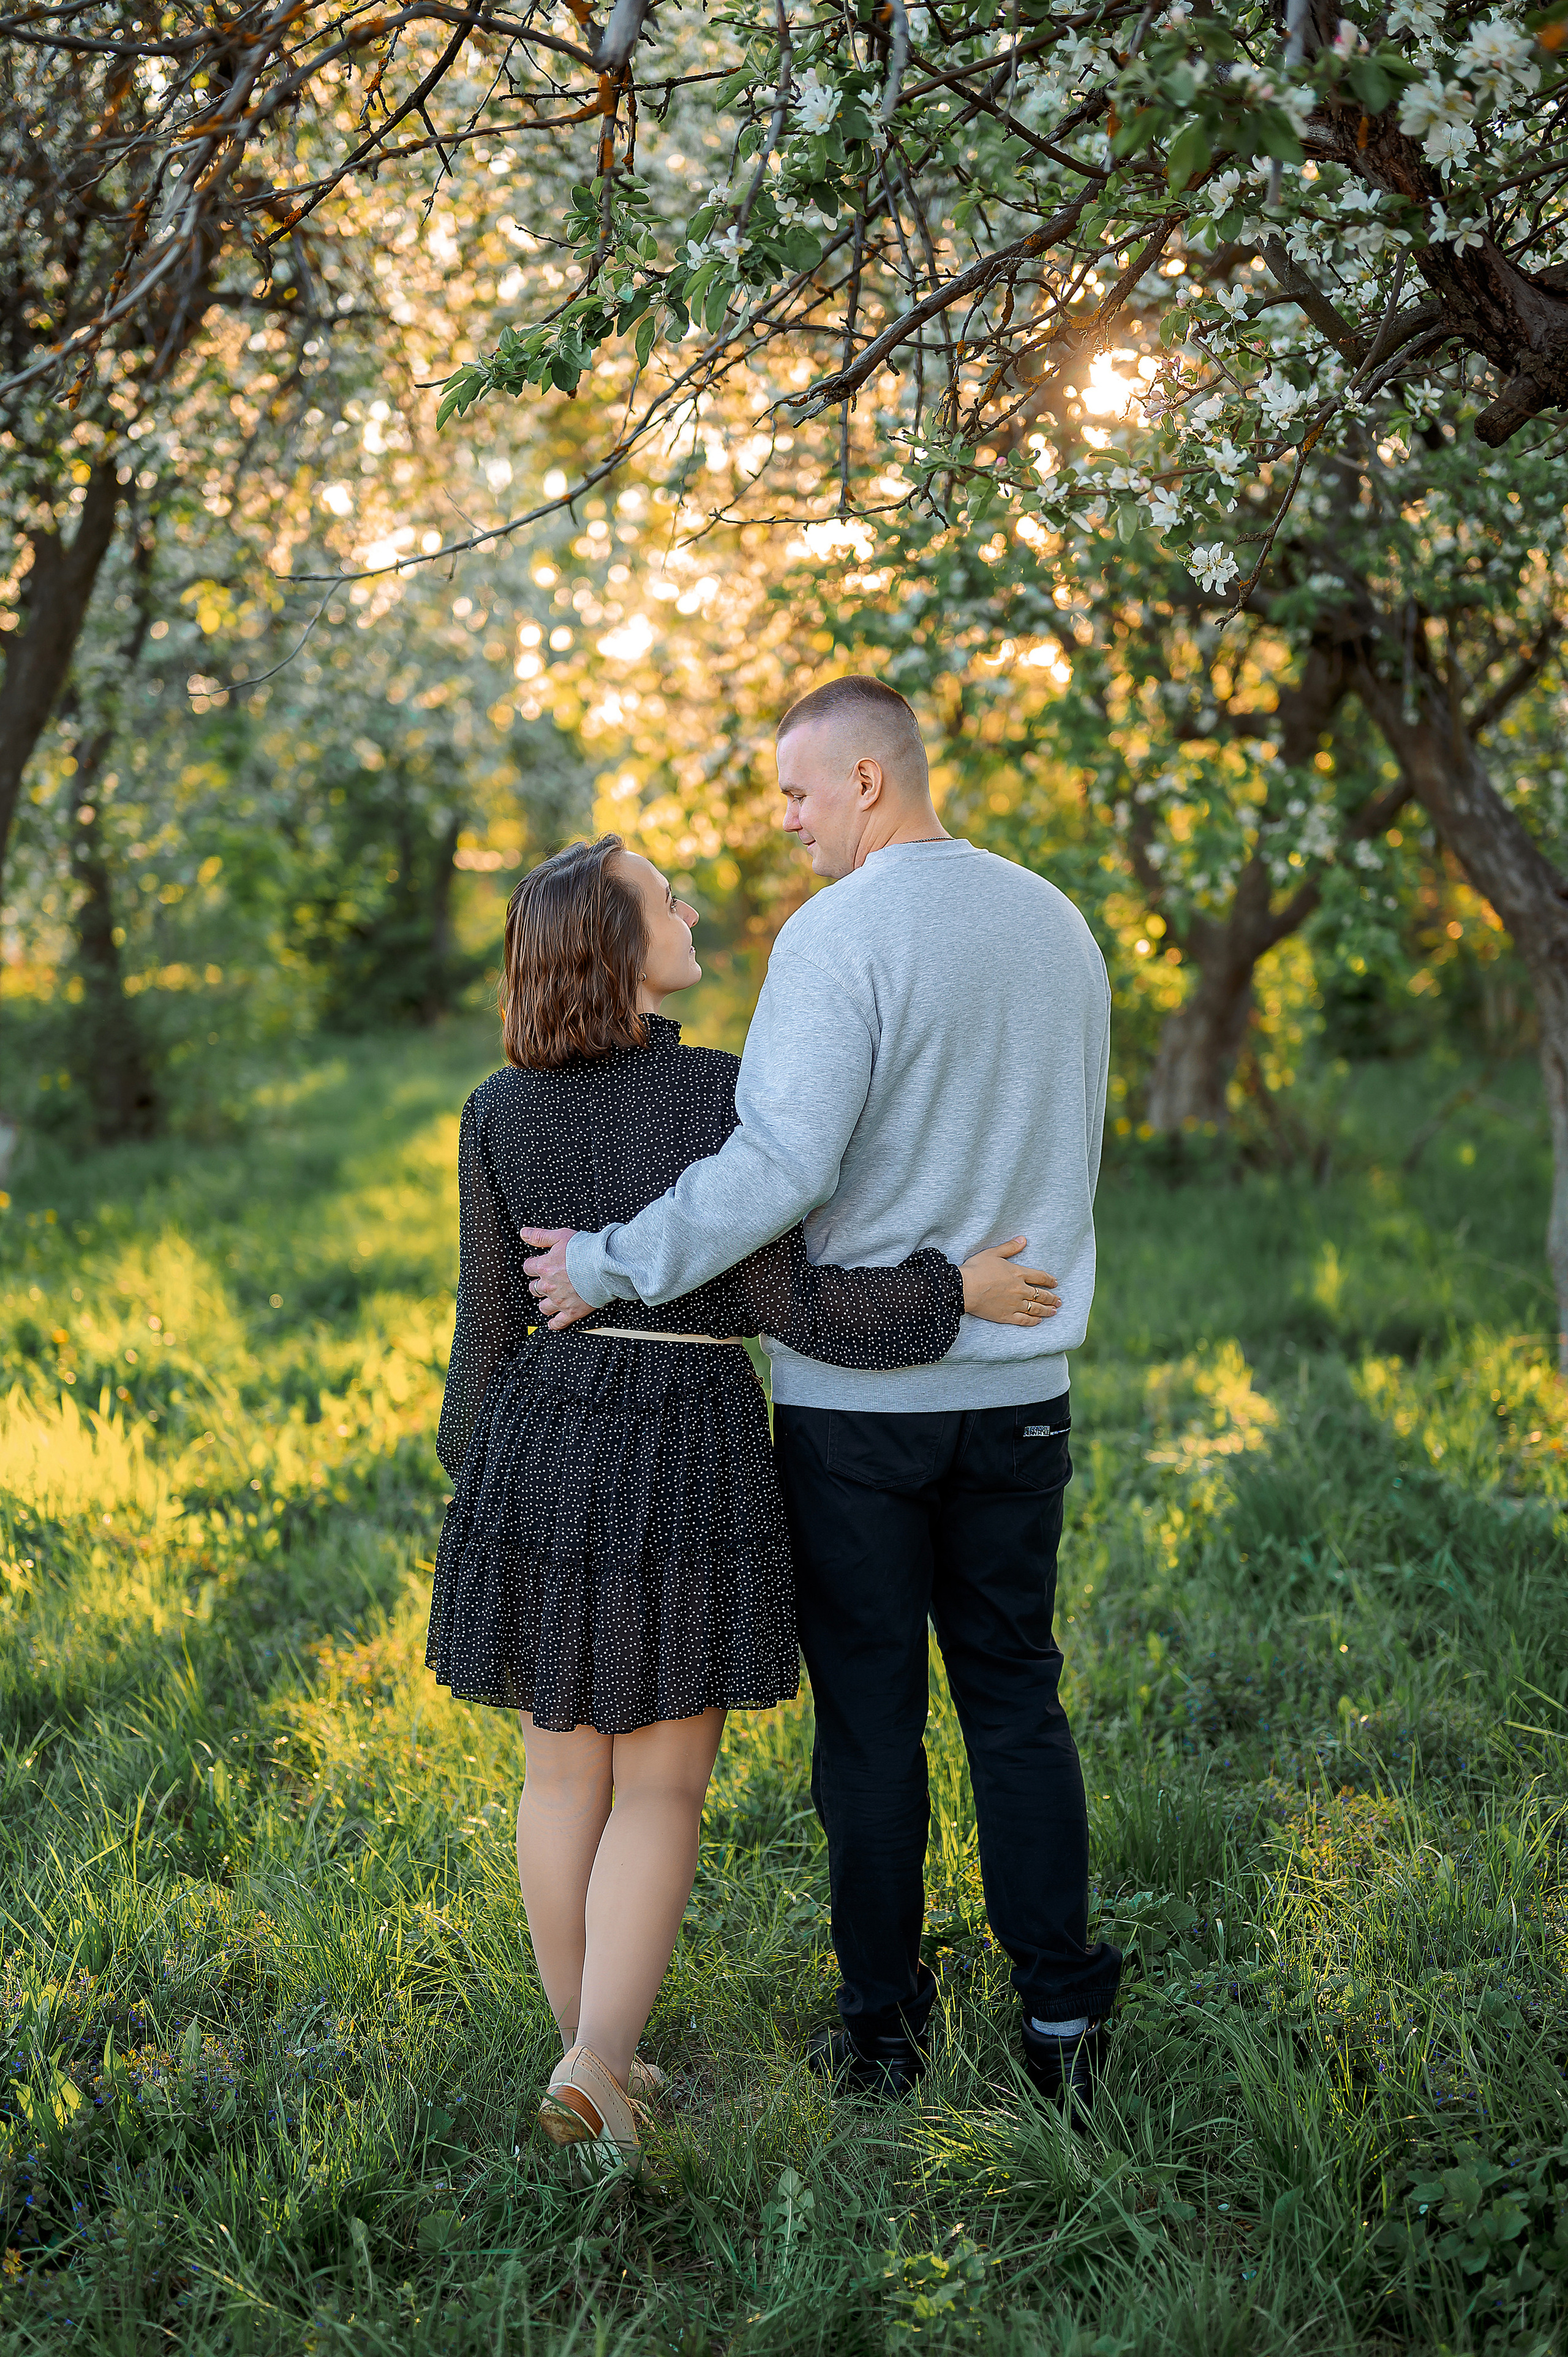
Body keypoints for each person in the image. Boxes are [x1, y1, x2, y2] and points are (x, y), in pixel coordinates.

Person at [524, 676, 1123, 2119]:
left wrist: (608, 1262)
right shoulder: (1055, 921)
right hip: (1020, 1387)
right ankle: (1056, 2013)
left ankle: (880, 2031)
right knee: (1015, 1696)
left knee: (870, 1721)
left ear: (866, 780)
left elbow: (778, 1167)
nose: (783, 822)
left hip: (862, 1406)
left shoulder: (837, 936)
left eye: (796, 792)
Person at [429, 830, 1058, 2168]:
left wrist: (480, 1478)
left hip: (537, 1440)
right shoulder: (714, 1095)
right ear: (617, 944)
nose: (691, 906)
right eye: (668, 898)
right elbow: (800, 1307)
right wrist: (958, 1290)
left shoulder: (496, 1107)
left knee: (560, 1774)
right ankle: (599, 2062)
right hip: (681, 1445)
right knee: (657, 1791)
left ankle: (587, 2053)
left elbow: (482, 1329)